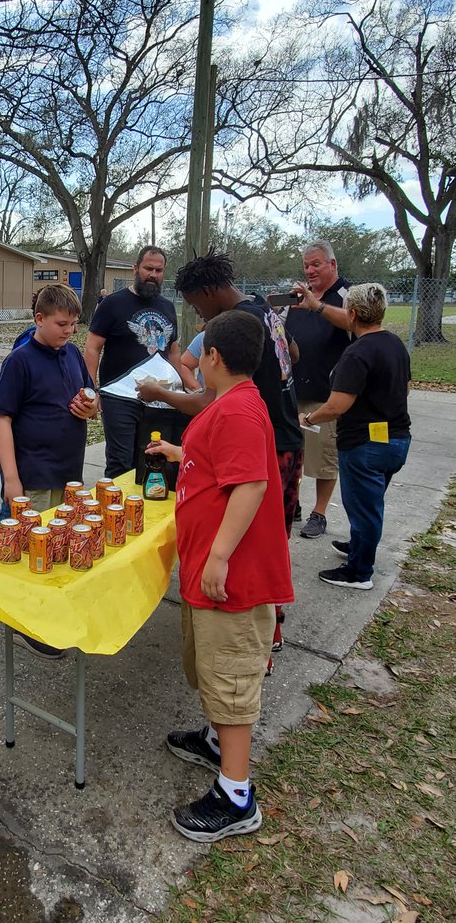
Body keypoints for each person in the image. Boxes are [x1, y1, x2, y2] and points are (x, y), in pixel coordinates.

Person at [148, 309, 294, 841]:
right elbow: (220, 464)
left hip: (233, 580)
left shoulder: (237, 411)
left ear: (213, 356)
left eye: (199, 353)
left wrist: (217, 556)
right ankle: (214, 740)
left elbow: (250, 484)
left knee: (231, 677)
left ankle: (236, 796)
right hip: (215, 574)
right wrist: (179, 453)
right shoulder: (234, 404)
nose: (195, 362)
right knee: (212, 667)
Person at [136, 251, 303, 663]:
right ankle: (270, 627)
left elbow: (208, 401)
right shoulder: (264, 310)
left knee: (250, 539)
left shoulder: (234, 332)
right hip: (287, 435)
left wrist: (161, 394)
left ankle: (255, 641)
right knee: (272, 535)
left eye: (196, 303)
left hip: (259, 442)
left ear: (209, 292)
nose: (198, 313)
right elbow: (294, 355)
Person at [297, 283, 411, 591]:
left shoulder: (357, 352)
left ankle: (359, 571)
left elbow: (337, 405)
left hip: (364, 445)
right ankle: (359, 546)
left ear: (353, 314)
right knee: (368, 504)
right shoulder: (394, 344)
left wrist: (308, 418)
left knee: (364, 508)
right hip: (396, 439)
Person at [0, 284, 99, 514]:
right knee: (31, 543)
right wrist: (11, 479)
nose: (69, 330)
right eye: (62, 324)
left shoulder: (73, 354)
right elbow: (1, 419)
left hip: (70, 475)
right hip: (35, 479)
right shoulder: (19, 361)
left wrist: (91, 408)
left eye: (73, 324)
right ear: (40, 319)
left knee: (63, 541)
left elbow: (92, 395)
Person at [84, 246, 184, 479]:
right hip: (119, 396)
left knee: (152, 459)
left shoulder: (167, 307)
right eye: (148, 268)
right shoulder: (112, 304)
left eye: (159, 270)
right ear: (136, 268)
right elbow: (92, 348)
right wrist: (92, 389)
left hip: (158, 398)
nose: (153, 274)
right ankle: (115, 511)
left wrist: (180, 391)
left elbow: (174, 351)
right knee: (121, 462)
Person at [285, 241, 351, 539]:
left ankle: (319, 513)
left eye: (316, 264)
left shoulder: (346, 295)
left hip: (327, 394)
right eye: (307, 266)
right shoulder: (298, 299)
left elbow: (355, 321)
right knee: (292, 452)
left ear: (333, 264)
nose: (310, 270)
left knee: (323, 458)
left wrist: (319, 306)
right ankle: (293, 502)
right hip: (294, 389)